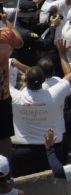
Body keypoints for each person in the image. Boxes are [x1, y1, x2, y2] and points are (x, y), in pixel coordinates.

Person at [10, 48, 71, 176]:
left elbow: (4, 80)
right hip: (51, 150)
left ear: (25, 81)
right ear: (44, 80)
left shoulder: (15, 97)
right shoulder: (54, 94)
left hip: (22, 152)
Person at [0, 12, 23, 157]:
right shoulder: (5, 35)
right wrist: (6, 21)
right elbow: (20, 42)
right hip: (2, 96)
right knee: (4, 135)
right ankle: (5, 170)